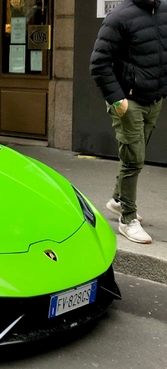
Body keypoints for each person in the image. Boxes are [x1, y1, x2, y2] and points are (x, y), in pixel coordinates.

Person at [89, 0, 167, 244]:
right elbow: (99, 63)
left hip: (153, 98)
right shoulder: (120, 16)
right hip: (128, 101)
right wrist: (117, 100)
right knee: (134, 159)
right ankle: (127, 219)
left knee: (136, 154)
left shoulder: (163, 10)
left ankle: (118, 199)